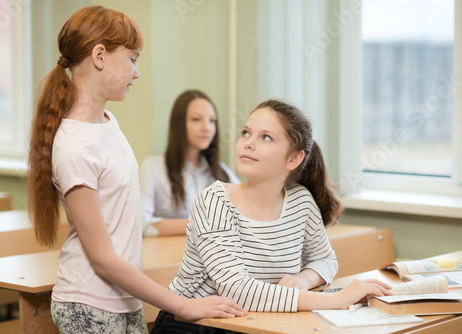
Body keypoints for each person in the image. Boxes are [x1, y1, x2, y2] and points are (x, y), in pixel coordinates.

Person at [27, 6, 246, 334]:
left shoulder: (107, 122)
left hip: (123, 298)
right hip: (89, 304)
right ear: (100, 56)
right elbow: (101, 257)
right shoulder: (75, 145)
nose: (137, 72)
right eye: (132, 59)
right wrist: (182, 305)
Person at [150, 99, 392, 333]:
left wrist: (303, 280)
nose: (249, 143)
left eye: (266, 137)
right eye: (246, 133)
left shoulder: (300, 201)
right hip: (192, 326)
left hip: (256, 322)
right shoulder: (214, 200)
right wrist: (337, 300)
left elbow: (326, 260)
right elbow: (237, 292)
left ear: (293, 158)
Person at [140, 89, 239, 237]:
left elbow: (245, 213)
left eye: (212, 120)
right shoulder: (152, 167)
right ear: (179, 124)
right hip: (168, 257)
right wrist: (200, 224)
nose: (207, 128)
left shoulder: (220, 171)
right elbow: (142, 224)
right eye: (196, 119)